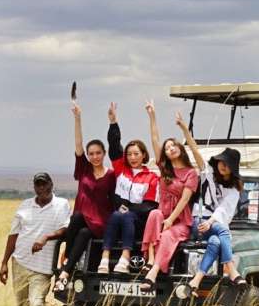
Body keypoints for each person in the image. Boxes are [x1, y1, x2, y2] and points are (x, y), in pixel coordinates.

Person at [0, 172, 71, 306]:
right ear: (35, 187)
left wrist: (47, 237)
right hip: (20, 262)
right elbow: (14, 234)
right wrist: (4, 262)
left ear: (51, 185)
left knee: (36, 305)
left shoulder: (61, 204)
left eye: (44, 184)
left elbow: (65, 229)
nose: (42, 188)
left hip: (42, 268)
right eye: (38, 185)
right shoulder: (25, 205)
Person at [177, 112, 247, 285]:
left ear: (233, 169)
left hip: (213, 224)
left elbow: (224, 210)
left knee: (216, 241)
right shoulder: (208, 173)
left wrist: (211, 223)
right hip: (198, 221)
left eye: (227, 164)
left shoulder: (234, 191)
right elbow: (195, 151)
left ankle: (196, 280)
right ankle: (231, 269)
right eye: (221, 162)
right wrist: (185, 129)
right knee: (223, 232)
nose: (222, 165)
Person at [53, 102, 114, 294]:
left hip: (100, 220)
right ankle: (66, 273)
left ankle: (66, 262)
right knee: (82, 229)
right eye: (91, 154)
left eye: (98, 153)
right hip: (83, 220)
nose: (94, 157)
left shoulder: (112, 174)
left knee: (78, 217)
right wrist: (78, 119)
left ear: (104, 154)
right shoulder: (84, 168)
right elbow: (78, 144)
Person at [140, 102, 199, 291]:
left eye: (173, 145)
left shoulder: (191, 173)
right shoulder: (164, 168)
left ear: (180, 148)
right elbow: (155, 139)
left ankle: (153, 272)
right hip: (163, 213)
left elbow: (184, 200)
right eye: (167, 148)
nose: (170, 148)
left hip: (180, 220)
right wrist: (152, 116)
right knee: (154, 214)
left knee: (166, 235)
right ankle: (150, 258)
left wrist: (171, 220)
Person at [101, 101, 160, 273]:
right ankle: (105, 258)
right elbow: (114, 146)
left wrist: (130, 209)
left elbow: (150, 204)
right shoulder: (121, 170)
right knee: (116, 214)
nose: (132, 157)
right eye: (129, 154)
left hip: (139, 220)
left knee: (125, 216)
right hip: (120, 215)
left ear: (144, 155)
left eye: (136, 154)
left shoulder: (152, 177)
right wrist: (113, 122)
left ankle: (125, 258)